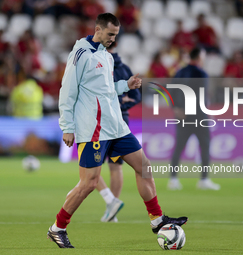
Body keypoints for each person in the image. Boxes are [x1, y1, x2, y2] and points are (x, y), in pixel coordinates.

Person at [47, 13, 188, 249]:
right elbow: (67, 91)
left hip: (116, 127)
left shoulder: (106, 55)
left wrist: (125, 85)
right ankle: (57, 228)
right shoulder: (81, 53)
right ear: (98, 29)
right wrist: (68, 127)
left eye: (116, 35)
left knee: (144, 166)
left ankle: (157, 220)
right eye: (110, 34)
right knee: (89, 183)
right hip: (93, 130)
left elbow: (104, 90)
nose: (113, 39)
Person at [95, 41, 141, 222]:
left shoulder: (97, 63)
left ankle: (110, 201)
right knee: (115, 167)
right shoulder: (125, 68)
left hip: (101, 122)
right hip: (122, 120)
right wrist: (124, 103)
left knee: (90, 167)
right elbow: (137, 95)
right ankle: (112, 211)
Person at [168, 47, 220, 191]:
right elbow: (200, 97)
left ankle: (173, 179)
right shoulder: (201, 74)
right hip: (198, 116)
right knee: (205, 145)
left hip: (182, 116)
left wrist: (177, 108)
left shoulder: (179, 72)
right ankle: (204, 179)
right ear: (199, 58)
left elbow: (170, 92)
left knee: (179, 146)